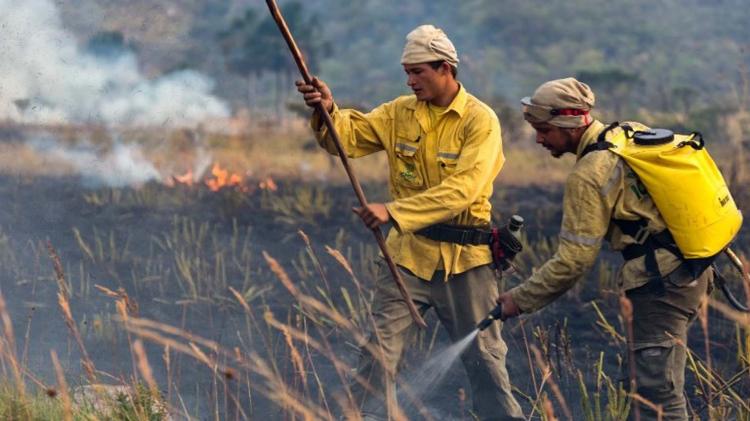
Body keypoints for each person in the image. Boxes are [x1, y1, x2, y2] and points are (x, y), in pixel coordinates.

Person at [296, 25, 523, 421]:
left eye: (419, 71)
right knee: (377, 356)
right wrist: (327, 110)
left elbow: (465, 189)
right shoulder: (398, 112)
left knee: (485, 362)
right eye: (407, 72)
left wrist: (395, 212)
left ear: (446, 69)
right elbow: (344, 140)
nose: (410, 80)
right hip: (407, 258)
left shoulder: (480, 120)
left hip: (465, 262)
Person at [497, 77, 713, 421]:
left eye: (543, 129)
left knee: (658, 394)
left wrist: (519, 300)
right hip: (689, 269)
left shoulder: (589, 174)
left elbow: (572, 261)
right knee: (645, 383)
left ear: (567, 125)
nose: (538, 138)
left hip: (661, 283)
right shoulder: (626, 133)